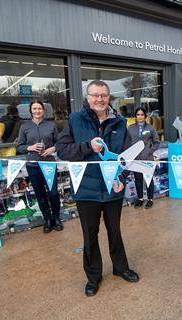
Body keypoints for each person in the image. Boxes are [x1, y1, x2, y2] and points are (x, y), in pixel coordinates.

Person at [57, 80, 139, 297]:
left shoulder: (120, 122)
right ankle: (93, 277)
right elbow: (62, 150)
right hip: (86, 190)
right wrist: (87, 147)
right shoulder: (76, 120)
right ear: (87, 97)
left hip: (113, 189)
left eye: (103, 95)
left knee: (115, 231)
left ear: (109, 97)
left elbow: (128, 156)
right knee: (89, 235)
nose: (100, 99)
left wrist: (120, 176)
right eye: (95, 95)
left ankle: (121, 268)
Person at [16, 100, 63, 234]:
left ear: (43, 110)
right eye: (34, 109)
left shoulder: (51, 125)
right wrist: (29, 147)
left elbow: (59, 142)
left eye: (39, 108)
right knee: (40, 194)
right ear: (31, 110)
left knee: (53, 192)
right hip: (33, 165)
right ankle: (47, 219)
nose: (37, 111)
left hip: (49, 163)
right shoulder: (25, 127)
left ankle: (57, 218)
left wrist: (52, 148)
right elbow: (19, 146)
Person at [127, 107, 160, 209]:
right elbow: (127, 142)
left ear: (145, 116)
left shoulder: (150, 128)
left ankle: (150, 199)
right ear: (135, 116)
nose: (140, 116)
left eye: (142, 115)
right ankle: (140, 199)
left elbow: (157, 142)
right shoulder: (130, 128)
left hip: (147, 159)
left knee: (148, 180)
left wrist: (149, 152)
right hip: (136, 159)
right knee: (138, 179)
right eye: (138, 115)